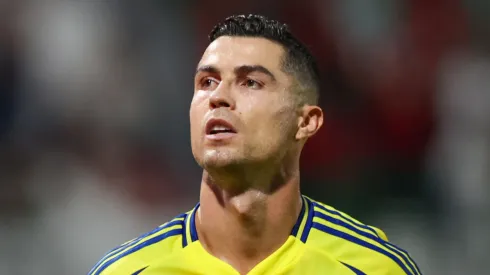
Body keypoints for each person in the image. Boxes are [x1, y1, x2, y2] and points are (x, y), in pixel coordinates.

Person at [88, 14, 422, 275]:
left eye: (250, 82)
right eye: (207, 82)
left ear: (306, 122)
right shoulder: (128, 270)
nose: (218, 97)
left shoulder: (372, 267)